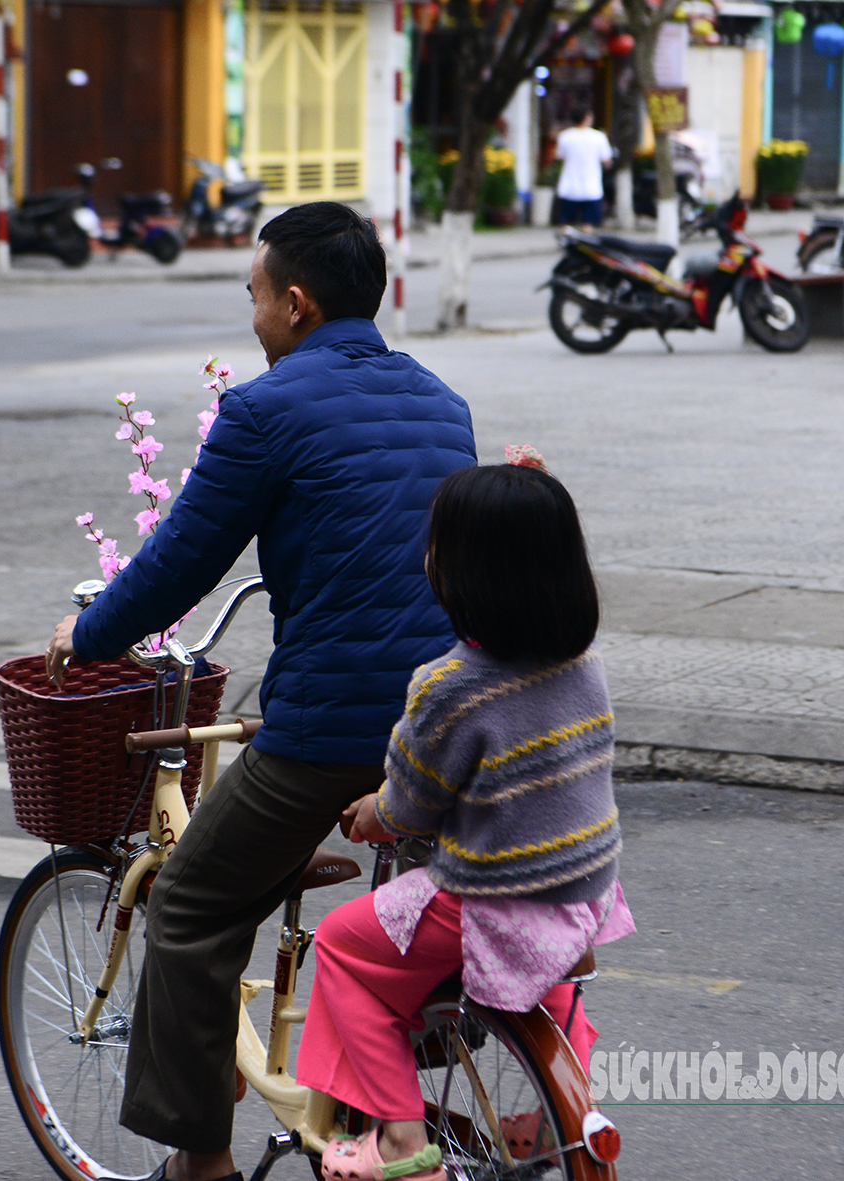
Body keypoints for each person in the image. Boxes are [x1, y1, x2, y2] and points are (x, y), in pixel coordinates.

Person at [43, 201, 477, 1181]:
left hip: (331, 724)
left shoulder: (262, 411)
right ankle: (394, 1100)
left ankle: (200, 1165)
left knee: (193, 898)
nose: (249, 316)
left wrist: (91, 631)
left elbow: (176, 566)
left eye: (251, 293)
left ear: (294, 300)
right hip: (448, 722)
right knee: (397, 919)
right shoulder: (442, 403)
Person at [295, 451, 635, 1181]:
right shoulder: (584, 661)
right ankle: (556, 1115)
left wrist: (369, 814)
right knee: (553, 976)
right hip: (583, 887)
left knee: (341, 945)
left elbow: (409, 807)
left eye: (437, 544)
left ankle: (400, 1142)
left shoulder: (450, 686)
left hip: (490, 897)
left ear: (465, 574)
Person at [553, 111, 615, 227]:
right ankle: (585, 244)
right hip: (591, 187)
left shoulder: (565, 136)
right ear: (587, 118)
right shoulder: (598, 137)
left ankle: (566, 243)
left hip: (569, 186)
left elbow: (559, 157)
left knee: (566, 222)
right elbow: (607, 161)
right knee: (588, 223)